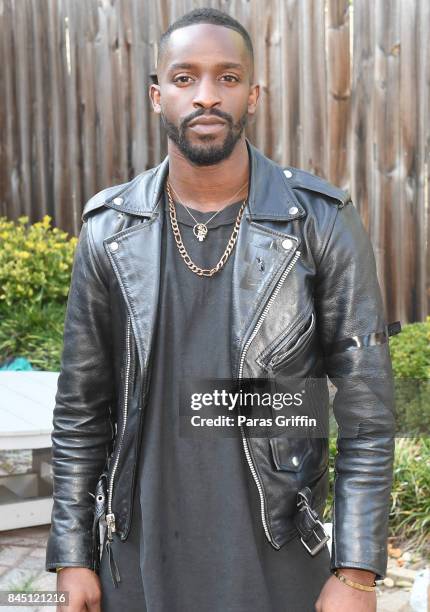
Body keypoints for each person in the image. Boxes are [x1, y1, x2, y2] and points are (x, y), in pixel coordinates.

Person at [45, 8, 399, 612]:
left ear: (253, 94)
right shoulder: (109, 231)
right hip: (138, 557)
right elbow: (82, 407)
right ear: (157, 96)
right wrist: (73, 554)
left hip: (279, 553)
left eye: (227, 78)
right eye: (184, 78)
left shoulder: (318, 220)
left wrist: (358, 569)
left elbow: (366, 411)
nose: (206, 96)